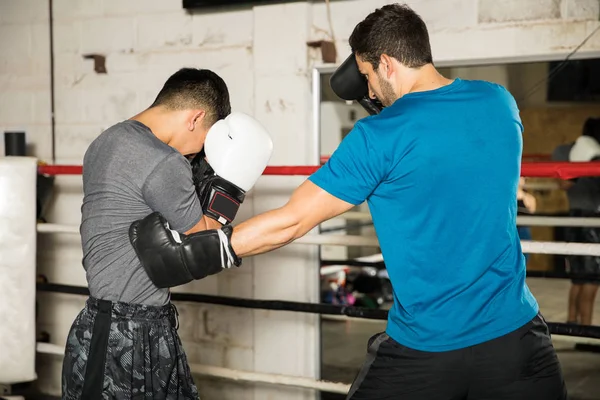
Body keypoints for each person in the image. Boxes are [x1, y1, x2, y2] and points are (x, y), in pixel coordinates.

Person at [129, 4, 567, 399]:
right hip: (519, 341)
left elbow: (292, 221)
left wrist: (198, 252)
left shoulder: (378, 136)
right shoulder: (499, 102)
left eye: (370, 77)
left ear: (388, 64)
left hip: (426, 350)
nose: (370, 93)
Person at [62, 67, 273, 399]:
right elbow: (203, 244)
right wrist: (230, 186)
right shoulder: (162, 162)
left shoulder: (105, 141)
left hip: (99, 324)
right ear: (194, 118)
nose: (199, 153)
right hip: (131, 333)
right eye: (204, 140)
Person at [552, 117, 600, 327]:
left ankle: (573, 323)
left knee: (580, 278)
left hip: (576, 217)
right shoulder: (570, 151)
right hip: (589, 219)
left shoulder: (566, 151)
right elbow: (564, 184)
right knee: (589, 279)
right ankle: (586, 333)